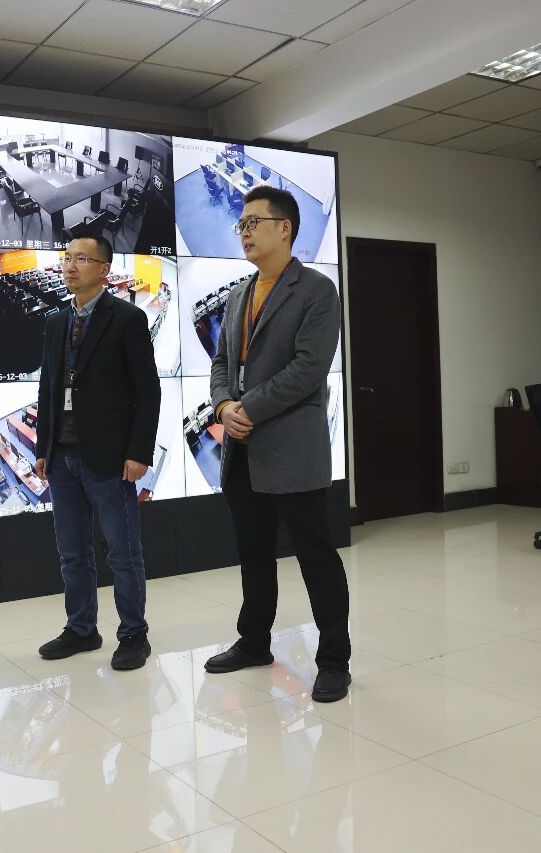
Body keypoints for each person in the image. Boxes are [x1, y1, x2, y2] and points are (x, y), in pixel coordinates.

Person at [204, 185, 351, 703]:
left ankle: (334, 661)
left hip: (291, 448)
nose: (243, 232)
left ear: (284, 228)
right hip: (243, 449)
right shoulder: (239, 294)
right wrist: (224, 406)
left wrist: (248, 408)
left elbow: (309, 368)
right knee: (254, 554)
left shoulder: (316, 290)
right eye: (240, 224)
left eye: (253, 223)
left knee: (315, 556)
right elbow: (222, 363)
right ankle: (253, 642)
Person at [34, 234, 161, 670]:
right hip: (62, 457)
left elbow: (147, 391)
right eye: (67, 259)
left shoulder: (126, 319)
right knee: (72, 553)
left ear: (104, 269)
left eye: (81, 259)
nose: (70, 266)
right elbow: (48, 388)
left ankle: (134, 634)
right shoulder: (56, 321)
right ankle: (82, 628)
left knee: (122, 553)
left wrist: (138, 451)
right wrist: (43, 446)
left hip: (108, 457)